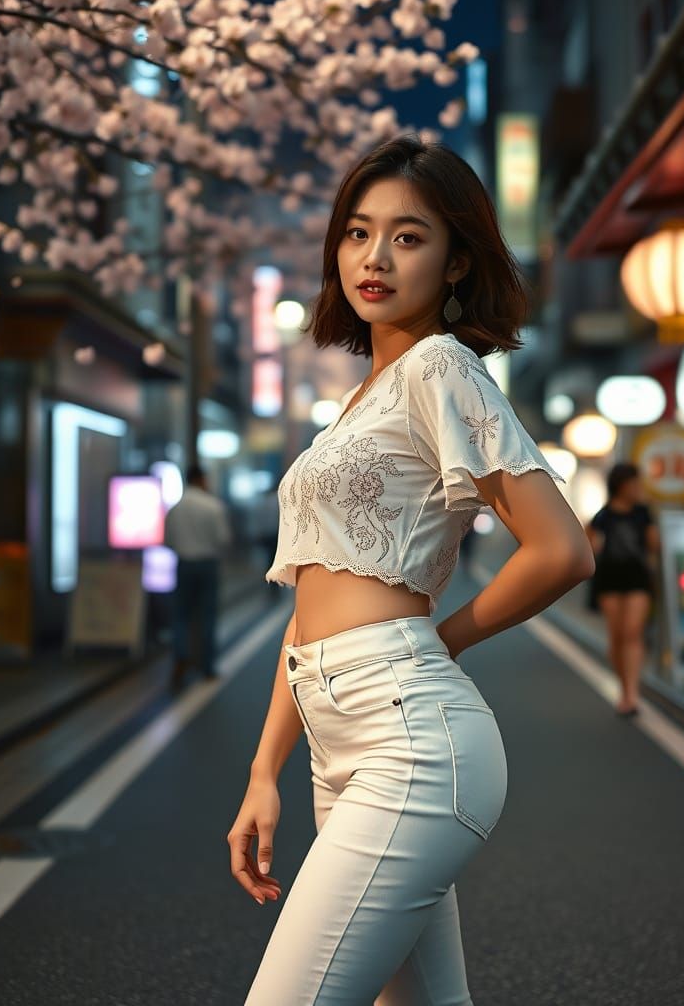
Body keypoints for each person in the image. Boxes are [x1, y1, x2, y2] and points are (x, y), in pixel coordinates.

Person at [227, 135, 595, 1005]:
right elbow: (308, 608)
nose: (375, 258)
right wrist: (261, 770)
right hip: (336, 741)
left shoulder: (440, 366)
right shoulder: (361, 399)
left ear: (457, 260)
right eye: (358, 233)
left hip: (412, 741)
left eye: (408, 236)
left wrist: (441, 639)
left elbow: (562, 548)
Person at [585, 463, 659, 718]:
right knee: (616, 636)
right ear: (620, 486)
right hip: (610, 577)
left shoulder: (643, 513)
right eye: (633, 484)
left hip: (637, 577)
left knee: (632, 632)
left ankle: (632, 693)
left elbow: (654, 545)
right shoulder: (603, 515)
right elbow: (589, 545)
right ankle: (625, 687)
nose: (637, 488)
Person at [163, 463, 232, 684]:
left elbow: (168, 541)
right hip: (207, 564)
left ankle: (181, 656)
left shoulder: (175, 508)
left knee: (181, 615)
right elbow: (223, 539)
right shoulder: (213, 506)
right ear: (201, 479)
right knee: (208, 615)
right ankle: (207, 665)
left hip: (183, 563)